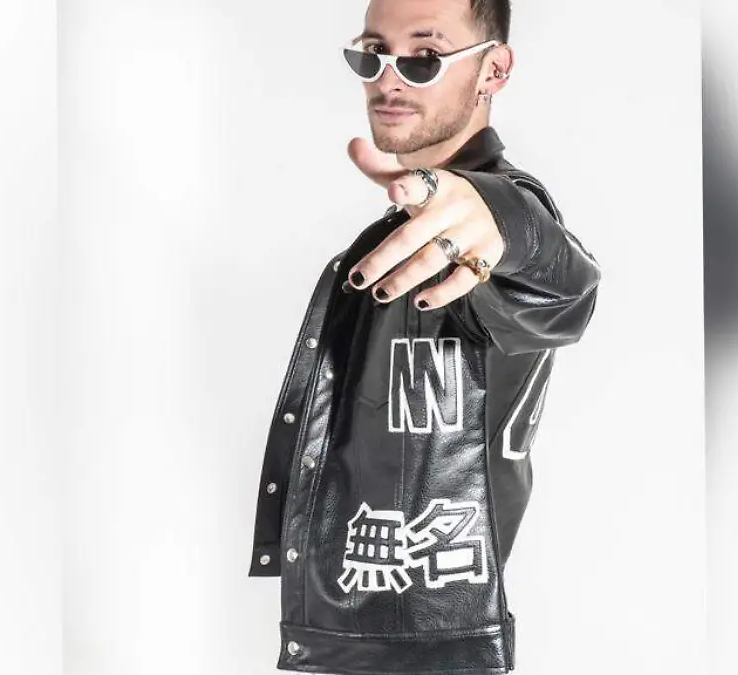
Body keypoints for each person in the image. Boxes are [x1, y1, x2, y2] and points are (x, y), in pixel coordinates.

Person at [246, 0, 602, 672]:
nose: (388, 78)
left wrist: (502, 220)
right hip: (358, 635)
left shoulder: (482, 224)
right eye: (371, 54)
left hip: (423, 647)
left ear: (493, 70)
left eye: (424, 57)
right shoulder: (410, 232)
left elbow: (565, 287)